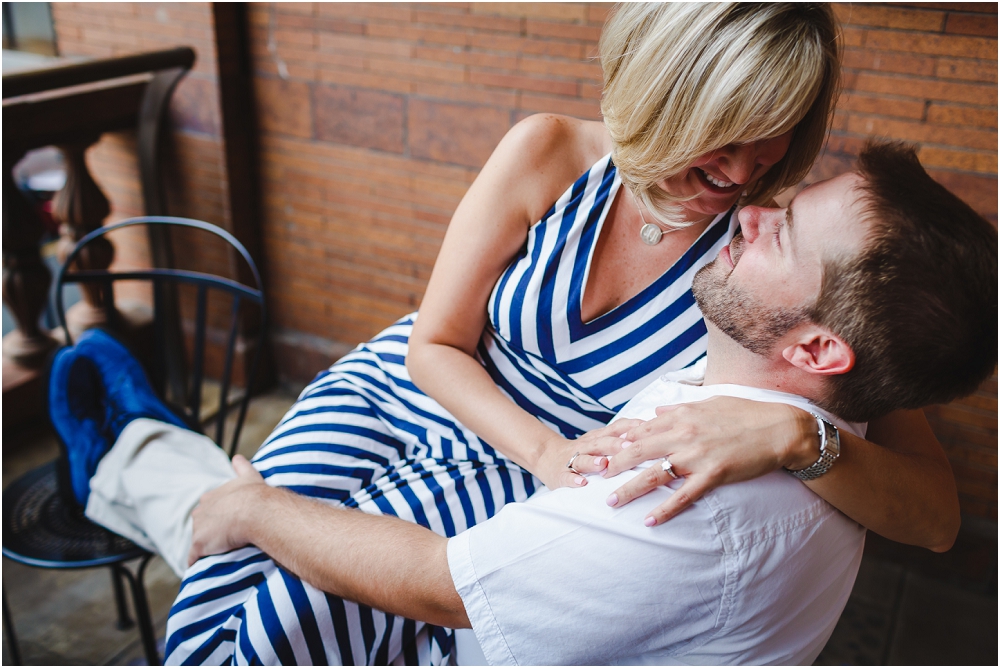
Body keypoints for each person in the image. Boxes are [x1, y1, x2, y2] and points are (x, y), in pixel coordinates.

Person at [52, 1, 962, 661]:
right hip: (420, 394)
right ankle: (138, 454)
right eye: (720, 130)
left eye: (777, 132)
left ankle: (136, 455)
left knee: (273, 623)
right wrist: (541, 450)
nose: (746, 166)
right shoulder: (550, 153)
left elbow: (934, 519)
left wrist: (796, 432)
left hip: (529, 484)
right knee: (224, 561)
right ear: (657, 91)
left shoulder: (775, 267)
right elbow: (433, 343)